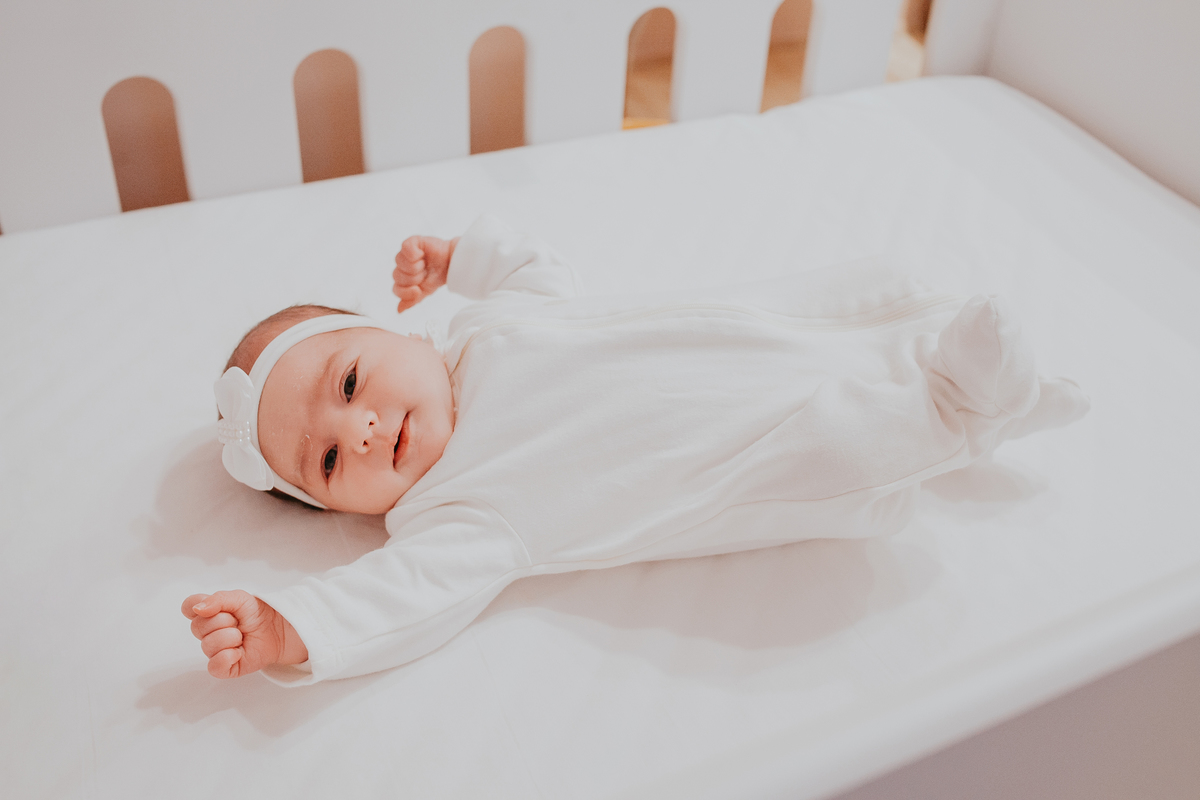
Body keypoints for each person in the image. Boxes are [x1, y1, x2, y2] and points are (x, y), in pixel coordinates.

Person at [183, 216, 1089, 686]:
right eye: (330, 464)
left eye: (348, 386)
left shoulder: (484, 329)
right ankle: (968, 406)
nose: (363, 432)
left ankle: (998, 396)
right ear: (344, 508)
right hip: (739, 460)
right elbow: (400, 599)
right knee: (841, 442)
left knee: (837, 323)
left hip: (734, 349)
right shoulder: (452, 516)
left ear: (396, 336)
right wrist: (292, 628)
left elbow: (543, 272)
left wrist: (465, 256)